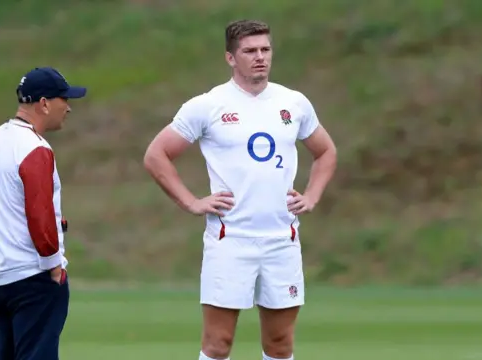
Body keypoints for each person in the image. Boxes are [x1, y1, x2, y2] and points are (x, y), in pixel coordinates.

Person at [143, 20, 337, 360]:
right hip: (230, 240)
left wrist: (312, 195)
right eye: (249, 51)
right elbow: (156, 155)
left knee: (280, 344)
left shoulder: (293, 103)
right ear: (231, 58)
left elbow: (326, 152)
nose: (259, 57)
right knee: (218, 345)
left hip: (282, 239)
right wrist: (191, 202)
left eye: (265, 49)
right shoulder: (208, 105)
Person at [0, 67, 87, 360]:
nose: (69, 107)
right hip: (32, 276)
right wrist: (53, 266)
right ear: (44, 103)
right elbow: (41, 214)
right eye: (64, 98)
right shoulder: (34, 147)